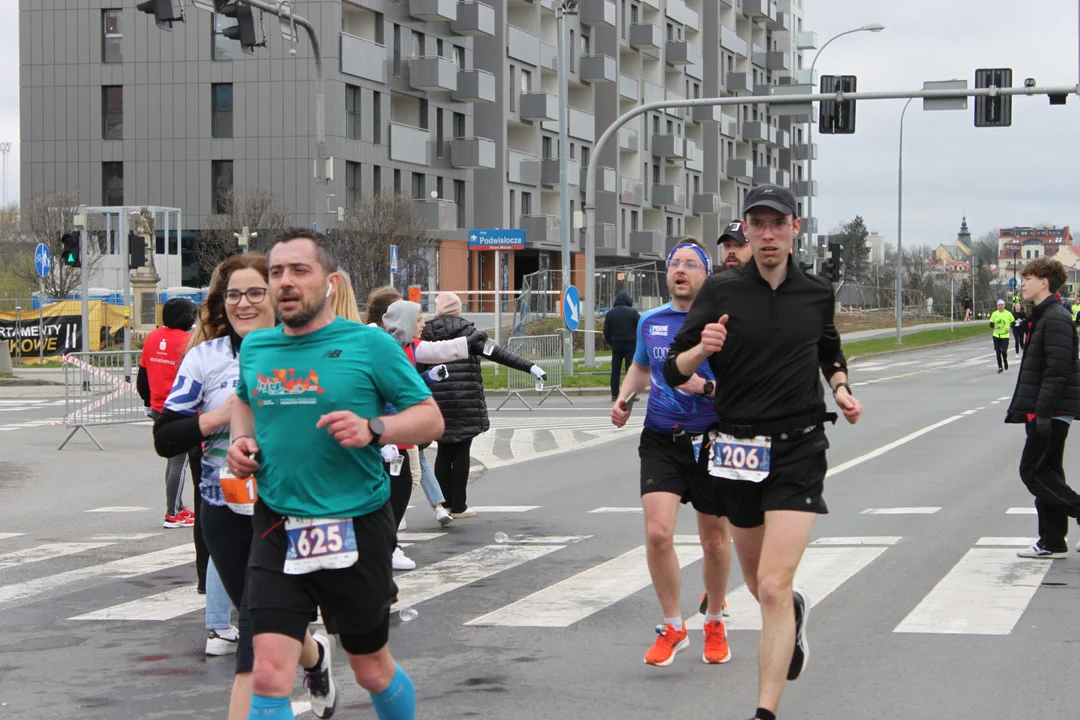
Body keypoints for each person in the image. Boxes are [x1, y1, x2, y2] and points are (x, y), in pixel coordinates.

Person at [227, 228, 445, 720]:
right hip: (278, 523)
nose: (285, 282)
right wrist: (243, 440)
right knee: (268, 674)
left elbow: (430, 418)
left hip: (356, 524)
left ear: (329, 281)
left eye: (299, 271)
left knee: (370, 668)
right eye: (276, 272)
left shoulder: (368, 345)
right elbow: (243, 397)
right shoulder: (258, 348)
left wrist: (375, 427)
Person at [663, 185, 863, 720]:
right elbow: (671, 368)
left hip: (799, 446)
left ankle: (764, 713)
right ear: (746, 231)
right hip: (736, 450)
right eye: (759, 223)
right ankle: (792, 614)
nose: (768, 234)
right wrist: (701, 350)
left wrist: (840, 386)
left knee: (773, 584)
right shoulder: (722, 292)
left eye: (778, 223)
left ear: (795, 228)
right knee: (759, 586)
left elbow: (827, 344)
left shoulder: (817, 291)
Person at [154, 254, 337, 720]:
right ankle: (314, 656)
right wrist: (225, 414)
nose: (244, 303)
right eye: (233, 294)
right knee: (260, 616)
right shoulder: (205, 358)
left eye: (256, 292)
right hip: (222, 507)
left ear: (277, 297)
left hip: (289, 509)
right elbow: (165, 436)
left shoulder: (308, 352)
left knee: (256, 635)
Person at [610, 239, 734, 667]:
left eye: (691, 264)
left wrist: (709, 388)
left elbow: (748, 382)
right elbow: (642, 367)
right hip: (662, 437)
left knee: (715, 540)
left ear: (706, 274)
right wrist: (624, 397)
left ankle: (714, 619)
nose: (681, 270)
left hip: (714, 439)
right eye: (674, 264)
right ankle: (673, 626)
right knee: (658, 534)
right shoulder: (650, 321)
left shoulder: (723, 324)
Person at [419, 291, 546, 517]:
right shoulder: (470, 333)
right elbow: (499, 354)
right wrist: (530, 366)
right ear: (458, 309)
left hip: (436, 402)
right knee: (461, 452)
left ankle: (444, 503)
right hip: (465, 402)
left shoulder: (425, 333)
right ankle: (459, 506)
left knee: (443, 451)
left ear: (437, 310)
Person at [1005, 257, 1080, 560]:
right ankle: (1051, 540)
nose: (1023, 283)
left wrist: (1044, 412)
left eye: (1028, 277)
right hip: (1043, 409)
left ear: (1044, 282)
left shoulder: (1056, 318)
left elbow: (1058, 370)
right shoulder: (1045, 316)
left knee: (1032, 471)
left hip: (1048, 410)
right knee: (1048, 472)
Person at [138, 297, 199, 529]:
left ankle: (178, 506)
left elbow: (142, 373)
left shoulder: (153, 337)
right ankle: (172, 512)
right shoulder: (188, 341)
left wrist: (146, 401)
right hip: (179, 408)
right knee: (179, 463)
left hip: (157, 406)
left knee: (172, 461)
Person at [603, 291, 640, 402]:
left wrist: (612, 342)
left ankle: (615, 394)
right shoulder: (633, 312)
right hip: (631, 344)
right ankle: (630, 394)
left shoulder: (610, 313)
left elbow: (606, 332)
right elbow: (640, 327)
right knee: (630, 370)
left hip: (616, 344)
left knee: (615, 370)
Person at [989, 299, 1015, 373]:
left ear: (1004, 305)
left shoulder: (1008, 314)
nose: (1000, 306)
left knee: (1003, 351)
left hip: (1005, 336)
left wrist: (1009, 328)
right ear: (997, 306)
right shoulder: (994, 314)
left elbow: (1013, 323)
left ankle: (1005, 361)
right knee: (998, 352)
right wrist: (994, 326)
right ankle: (1000, 367)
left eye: (1002, 305)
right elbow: (990, 324)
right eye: (999, 305)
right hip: (996, 335)